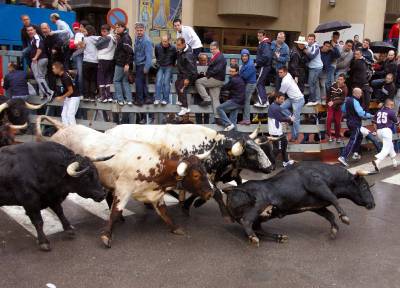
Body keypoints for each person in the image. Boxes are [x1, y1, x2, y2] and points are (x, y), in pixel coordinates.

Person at [338, 88, 373, 167]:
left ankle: (355, 153)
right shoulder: (356, 101)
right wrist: (370, 115)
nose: (361, 95)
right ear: (356, 93)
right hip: (355, 123)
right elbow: (361, 113)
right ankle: (343, 156)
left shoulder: (347, 100)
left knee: (359, 136)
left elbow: (343, 109)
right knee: (353, 140)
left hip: (349, 122)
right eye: (360, 93)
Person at [195, 41, 226, 121]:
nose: (212, 51)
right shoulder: (216, 56)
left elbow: (217, 69)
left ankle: (206, 99)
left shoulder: (220, 57)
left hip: (216, 79)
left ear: (218, 48)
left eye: (213, 49)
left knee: (198, 82)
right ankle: (218, 117)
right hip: (217, 80)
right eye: (211, 49)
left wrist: (207, 74)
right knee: (215, 99)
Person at [26, 25, 54, 100]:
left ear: (35, 30)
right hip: (41, 59)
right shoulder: (34, 38)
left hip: (39, 59)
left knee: (39, 77)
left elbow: (40, 48)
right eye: (28, 30)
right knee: (42, 77)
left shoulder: (36, 37)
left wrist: (35, 57)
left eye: (31, 30)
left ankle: (49, 92)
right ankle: (43, 93)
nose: (29, 32)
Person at [268, 92, 295, 167]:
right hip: (276, 132)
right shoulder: (275, 107)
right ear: (276, 98)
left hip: (278, 131)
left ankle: (286, 161)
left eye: (283, 99)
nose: (283, 101)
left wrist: (288, 119)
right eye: (281, 99)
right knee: (277, 149)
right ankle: (269, 163)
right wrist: (289, 119)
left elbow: (280, 118)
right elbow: (280, 118)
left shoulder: (275, 106)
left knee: (284, 145)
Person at [278, 66, 305, 142]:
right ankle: (290, 117)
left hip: (298, 100)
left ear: (285, 72)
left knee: (296, 120)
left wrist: (273, 95)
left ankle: (294, 137)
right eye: (279, 72)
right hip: (292, 99)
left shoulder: (285, 82)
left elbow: (280, 94)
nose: (279, 74)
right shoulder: (288, 74)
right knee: (281, 108)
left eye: (281, 72)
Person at [372, 98, 399, 171]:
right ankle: (377, 161)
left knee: (390, 146)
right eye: (392, 105)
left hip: (379, 131)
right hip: (386, 130)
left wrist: (376, 131)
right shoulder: (391, 112)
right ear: (390, 104)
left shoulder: (378, 112)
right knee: (386, 148)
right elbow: (397, 123)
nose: (393, 106)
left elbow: (374, 122)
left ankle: (394, 162)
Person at [216, 64, 245, 131]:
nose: (231, 73)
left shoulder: (234, 80)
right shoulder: (239, 78)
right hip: (240, 101)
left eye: (233, 71)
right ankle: (237, 136)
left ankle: (228, 124)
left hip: (236, 100)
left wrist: (219, 85)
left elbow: (225, 87)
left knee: (219, 108)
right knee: (233, 120)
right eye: (230, 71)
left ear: (237, 72)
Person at [52, 62, 80, 126]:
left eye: (53, 68)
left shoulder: (65, 77)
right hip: (69, 97)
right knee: (63, 115)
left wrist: (61, 97)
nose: (52, 70)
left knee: (70, 115)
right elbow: (74, 72)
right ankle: (67, 130)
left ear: (58, 69)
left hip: (74, 97)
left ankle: (74, 132)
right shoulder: (64, 73)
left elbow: (71, 91)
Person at [175, 37, 197, 116]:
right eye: (177, 45)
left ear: (184, 44)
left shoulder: (188, 54)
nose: (177, 46)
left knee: (182, 88)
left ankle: (185, 107)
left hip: (190, 75)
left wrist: (187, 79)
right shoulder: (181, 50)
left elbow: (192, 69)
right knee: (176, 83)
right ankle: (181, 100)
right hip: (183, 74)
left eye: (179, 45)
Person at [113, 22, 133, 106]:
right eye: (116, 27)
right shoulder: (124, 36)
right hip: (124, 63)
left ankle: (120, 99)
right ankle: (129, 100)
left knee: (116, 81)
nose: (116, 29)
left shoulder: (125, 38)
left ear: (123, 28)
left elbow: (129, 52)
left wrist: (127, 64)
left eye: (118, 27)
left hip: (121, 63)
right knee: (125, 81)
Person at [40, 22, 65, 91]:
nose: (44, 30)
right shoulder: (45, 37)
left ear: (49, 28)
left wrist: (55, 48)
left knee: (59, 74)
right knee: (50, 74)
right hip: (51, 60)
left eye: (45, 28)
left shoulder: (53, 34)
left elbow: (60, 42)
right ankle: (53, 91)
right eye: (42, 29)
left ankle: (59, 91)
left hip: (58, 59)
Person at [134, 22, 153, 106]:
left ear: (144, 30)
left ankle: (140, 100)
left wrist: (146, 67)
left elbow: (149, 55)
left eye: (141, 30)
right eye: (137, 30)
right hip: (138, 64)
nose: (139, 32)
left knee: (138, 83)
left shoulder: (147, 41)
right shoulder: (137, 38)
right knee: (142, 83)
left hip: (143, 64)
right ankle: (147, 98)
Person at [154, 34, 177, 105]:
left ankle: (165, 99)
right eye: (163, 41)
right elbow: (156, 55)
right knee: (158, 81)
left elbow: (174, 57)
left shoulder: (173, 48)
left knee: (166, 82)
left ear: (169, 41)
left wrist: (172, 64)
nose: (164, 43)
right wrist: (158, 63)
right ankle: (157, 99)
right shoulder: (157, 46)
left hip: (169, 66)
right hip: (160, 66)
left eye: (166, 41)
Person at [96, 24, 116, 103]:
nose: (103, 33)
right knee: (108, 78)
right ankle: (109, 96)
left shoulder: (107, 38)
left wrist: (99, 39)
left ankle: (103, 96)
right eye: (102, 31)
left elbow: (97, 45)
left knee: (101, 78)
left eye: (104, 31)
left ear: (108, 31)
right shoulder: (114, 38)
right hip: (110, 59)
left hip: (103, 59)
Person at [79, 25, 99, 102]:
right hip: (95, 61)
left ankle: (86, 96)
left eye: (84, 31)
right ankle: (93, 96)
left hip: (86, 61)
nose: (83, 32)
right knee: (93, 79)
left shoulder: (85, 39)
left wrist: (81, 41)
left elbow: (81, 47)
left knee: (86, 79)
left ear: (88, 31)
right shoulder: (97, 38)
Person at [326, 74, 348, 142]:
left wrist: (333, 102)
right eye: (338, 79)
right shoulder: (333, 85)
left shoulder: (345, 88)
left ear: (344, 80)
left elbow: (342, 100)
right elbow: (328, 94)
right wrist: (328, 102)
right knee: (329, 119)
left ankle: (337, 137)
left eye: (341, 79)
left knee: (337, 122)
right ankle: (329, 136)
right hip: (331, 106)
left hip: (338, 107)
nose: (339, 81)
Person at [238, 49, 257, 125]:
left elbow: (244, 76)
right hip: (247, 84)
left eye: (246, 56)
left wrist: (240, 74)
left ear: (248, 56)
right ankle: (245, 118)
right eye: (243, 56)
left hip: (250, 84)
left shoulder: (250, 64)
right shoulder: (245, 64)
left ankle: (247, 119)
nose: (244, 57)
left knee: (246, 101)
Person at [255, 30, 272, 107]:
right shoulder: (265, 43)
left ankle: (262, 102)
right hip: (265, 66)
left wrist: (258, 63)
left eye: (261, 36)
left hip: (264, 66)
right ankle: (265, 101)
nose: (259, 37)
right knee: (261, 83)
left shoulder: (265, 44)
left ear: (264, 36)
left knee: (258, 83)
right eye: (258, 36)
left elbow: (267, 56)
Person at [305, 33, 323, 106]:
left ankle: (313, 100)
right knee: (314, 83)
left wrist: (306, 51)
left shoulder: (316, 46)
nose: (310, 41)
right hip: (312, 67)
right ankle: (316, 99)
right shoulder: (308, 45)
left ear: (314, 40)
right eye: (309, 39)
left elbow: (312, 56)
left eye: (312, 39)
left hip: (317, 67)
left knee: (312, 83)